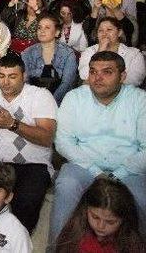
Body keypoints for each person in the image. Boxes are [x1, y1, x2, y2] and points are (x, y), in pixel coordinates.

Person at [49, 51, 146, 244]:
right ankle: (57, 248)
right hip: (83, 166)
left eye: (107, 72)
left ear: (123, 76)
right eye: (93, 72)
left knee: (141, 198)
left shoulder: (140, 99)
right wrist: (94, 171)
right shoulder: (75, 97)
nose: (97, 78)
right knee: (67, 185)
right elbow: (63, 142)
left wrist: (119, 173)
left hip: (130, 169)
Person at [0, 54, 57, 233]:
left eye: (12, 76)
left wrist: (12, 124)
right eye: (1, 76)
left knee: (26, 200)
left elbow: (47, 137)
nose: (5, 82)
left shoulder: (40, 96)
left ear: (24, 76)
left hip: (33, 165)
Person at [55, 178, 144, 253]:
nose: (100, 226)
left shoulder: (131, 244)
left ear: (124, 219)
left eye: (110, 222)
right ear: (85, 210)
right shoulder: (72, 236)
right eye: (95, 217)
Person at [21, 13, 78, 105]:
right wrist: (34, 102)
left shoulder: (68, 53)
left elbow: (67, 84)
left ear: (57, 32)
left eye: (47, 28)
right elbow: (25, 81)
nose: (42, 31)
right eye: (39, 27)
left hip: (60, 102)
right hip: (32, 101)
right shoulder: (27, 53)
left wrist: (49, 103)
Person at [78, 17, 145, 86]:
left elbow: (134, 80)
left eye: (109, 29)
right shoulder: (88, 51)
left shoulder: (134, 54)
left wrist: (104, 84)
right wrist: (100, 51)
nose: (104, 33)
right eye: (100, 30)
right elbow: (84, 75)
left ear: (119, 33)